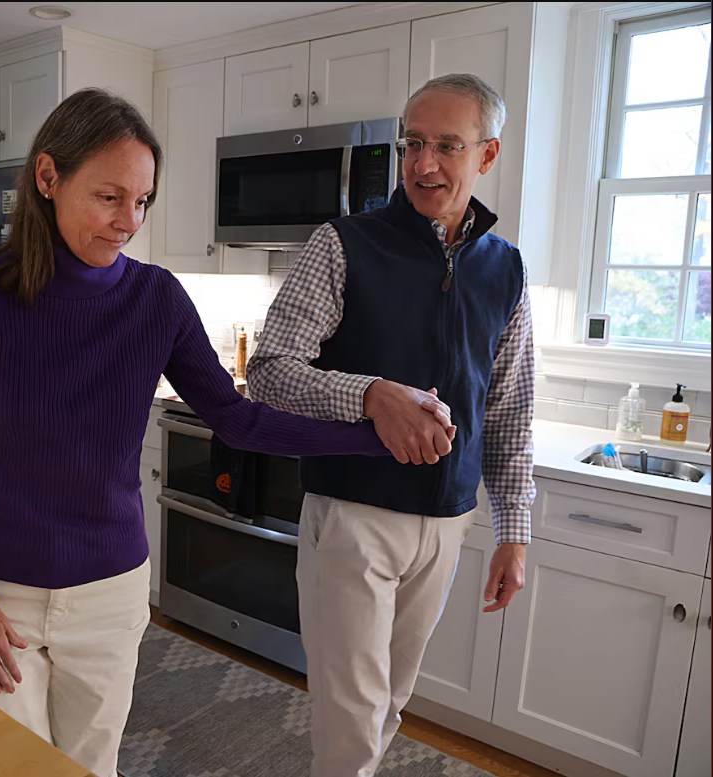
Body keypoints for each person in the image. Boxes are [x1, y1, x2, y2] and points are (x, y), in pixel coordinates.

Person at [0, 87, 453, 777]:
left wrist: (375, 432)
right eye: (109, 197)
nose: (128, 222)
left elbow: (237, 417)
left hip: (108, 593)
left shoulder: (156, 298)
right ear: (48, 177)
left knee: (91, 765)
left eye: (142, 201)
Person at [247, 73, 535, 777]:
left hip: (447, 522)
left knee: (390, 704)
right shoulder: (343, 244)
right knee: (351, 717)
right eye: (412, 143)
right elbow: (270, 370)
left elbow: (508, 409)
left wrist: (514, 530)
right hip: (355, 514)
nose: (423, 163)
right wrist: (371, 394)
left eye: (447, 146)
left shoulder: (506, 268)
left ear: (488, 154)